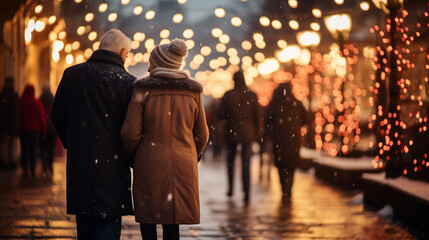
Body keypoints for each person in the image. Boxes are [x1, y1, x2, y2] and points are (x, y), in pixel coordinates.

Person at [51, 29, 136, 239]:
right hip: (113, 170)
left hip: (80, 165)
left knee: (85, 228)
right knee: (108, 225)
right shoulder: (127, 82)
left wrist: (74, 142)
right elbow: (131, 128)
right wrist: (130, 156)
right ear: (123, 52)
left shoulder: (72, 75)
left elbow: (56, 114)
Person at [121, 38, 209, 240]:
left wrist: (135, 156)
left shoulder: (142, 90)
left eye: (152, 62)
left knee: (149, 219)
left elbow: (130, 133)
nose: (149, 66)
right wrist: (191, 153)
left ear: (160, 63)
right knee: (173, 219)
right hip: (183, 163)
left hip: (149, 162)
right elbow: (202, 135)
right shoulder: (193, 92)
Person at [218, 70, 262, 204]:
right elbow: (258, 116)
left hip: (232, 132)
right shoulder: (252, 95)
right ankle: (246, 192)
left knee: (230, 162)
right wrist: (258, 133)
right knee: (246, 163)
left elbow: (220, 114)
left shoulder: (228, 95)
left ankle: (231, 188)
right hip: (248, 133)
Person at [266, 82, 307, 201]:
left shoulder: (275, 104)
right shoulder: (297, 103)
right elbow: (306, 118)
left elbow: (268, 120)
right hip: (294, 140)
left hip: (279, 139)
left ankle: (284, 187)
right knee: (291, 165)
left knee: (281, 165)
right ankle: (289, 187)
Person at [20, 84, 47, 178]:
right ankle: (32, 168)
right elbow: (42, 116)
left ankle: (24, 169)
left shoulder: (21, 101)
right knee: (33, 150)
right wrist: (44, 129)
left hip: (24, 129)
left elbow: (19, 115)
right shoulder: (37, 102)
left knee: (24, 150)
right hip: (35, 130)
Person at [0, 76, 21, 169]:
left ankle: (10, 161)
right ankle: (6, 162)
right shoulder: (5, 95)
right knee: (6, 144)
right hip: (7, 124)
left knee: (11, 143)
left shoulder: (12, 95)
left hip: (11, 124)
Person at [39, 84, 57, 177]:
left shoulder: (41, 99)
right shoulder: (53, 98)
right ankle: (50, 164)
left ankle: (45, 166)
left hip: (43, 127)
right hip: (52, 127)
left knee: (43, 148)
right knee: (51, 147)